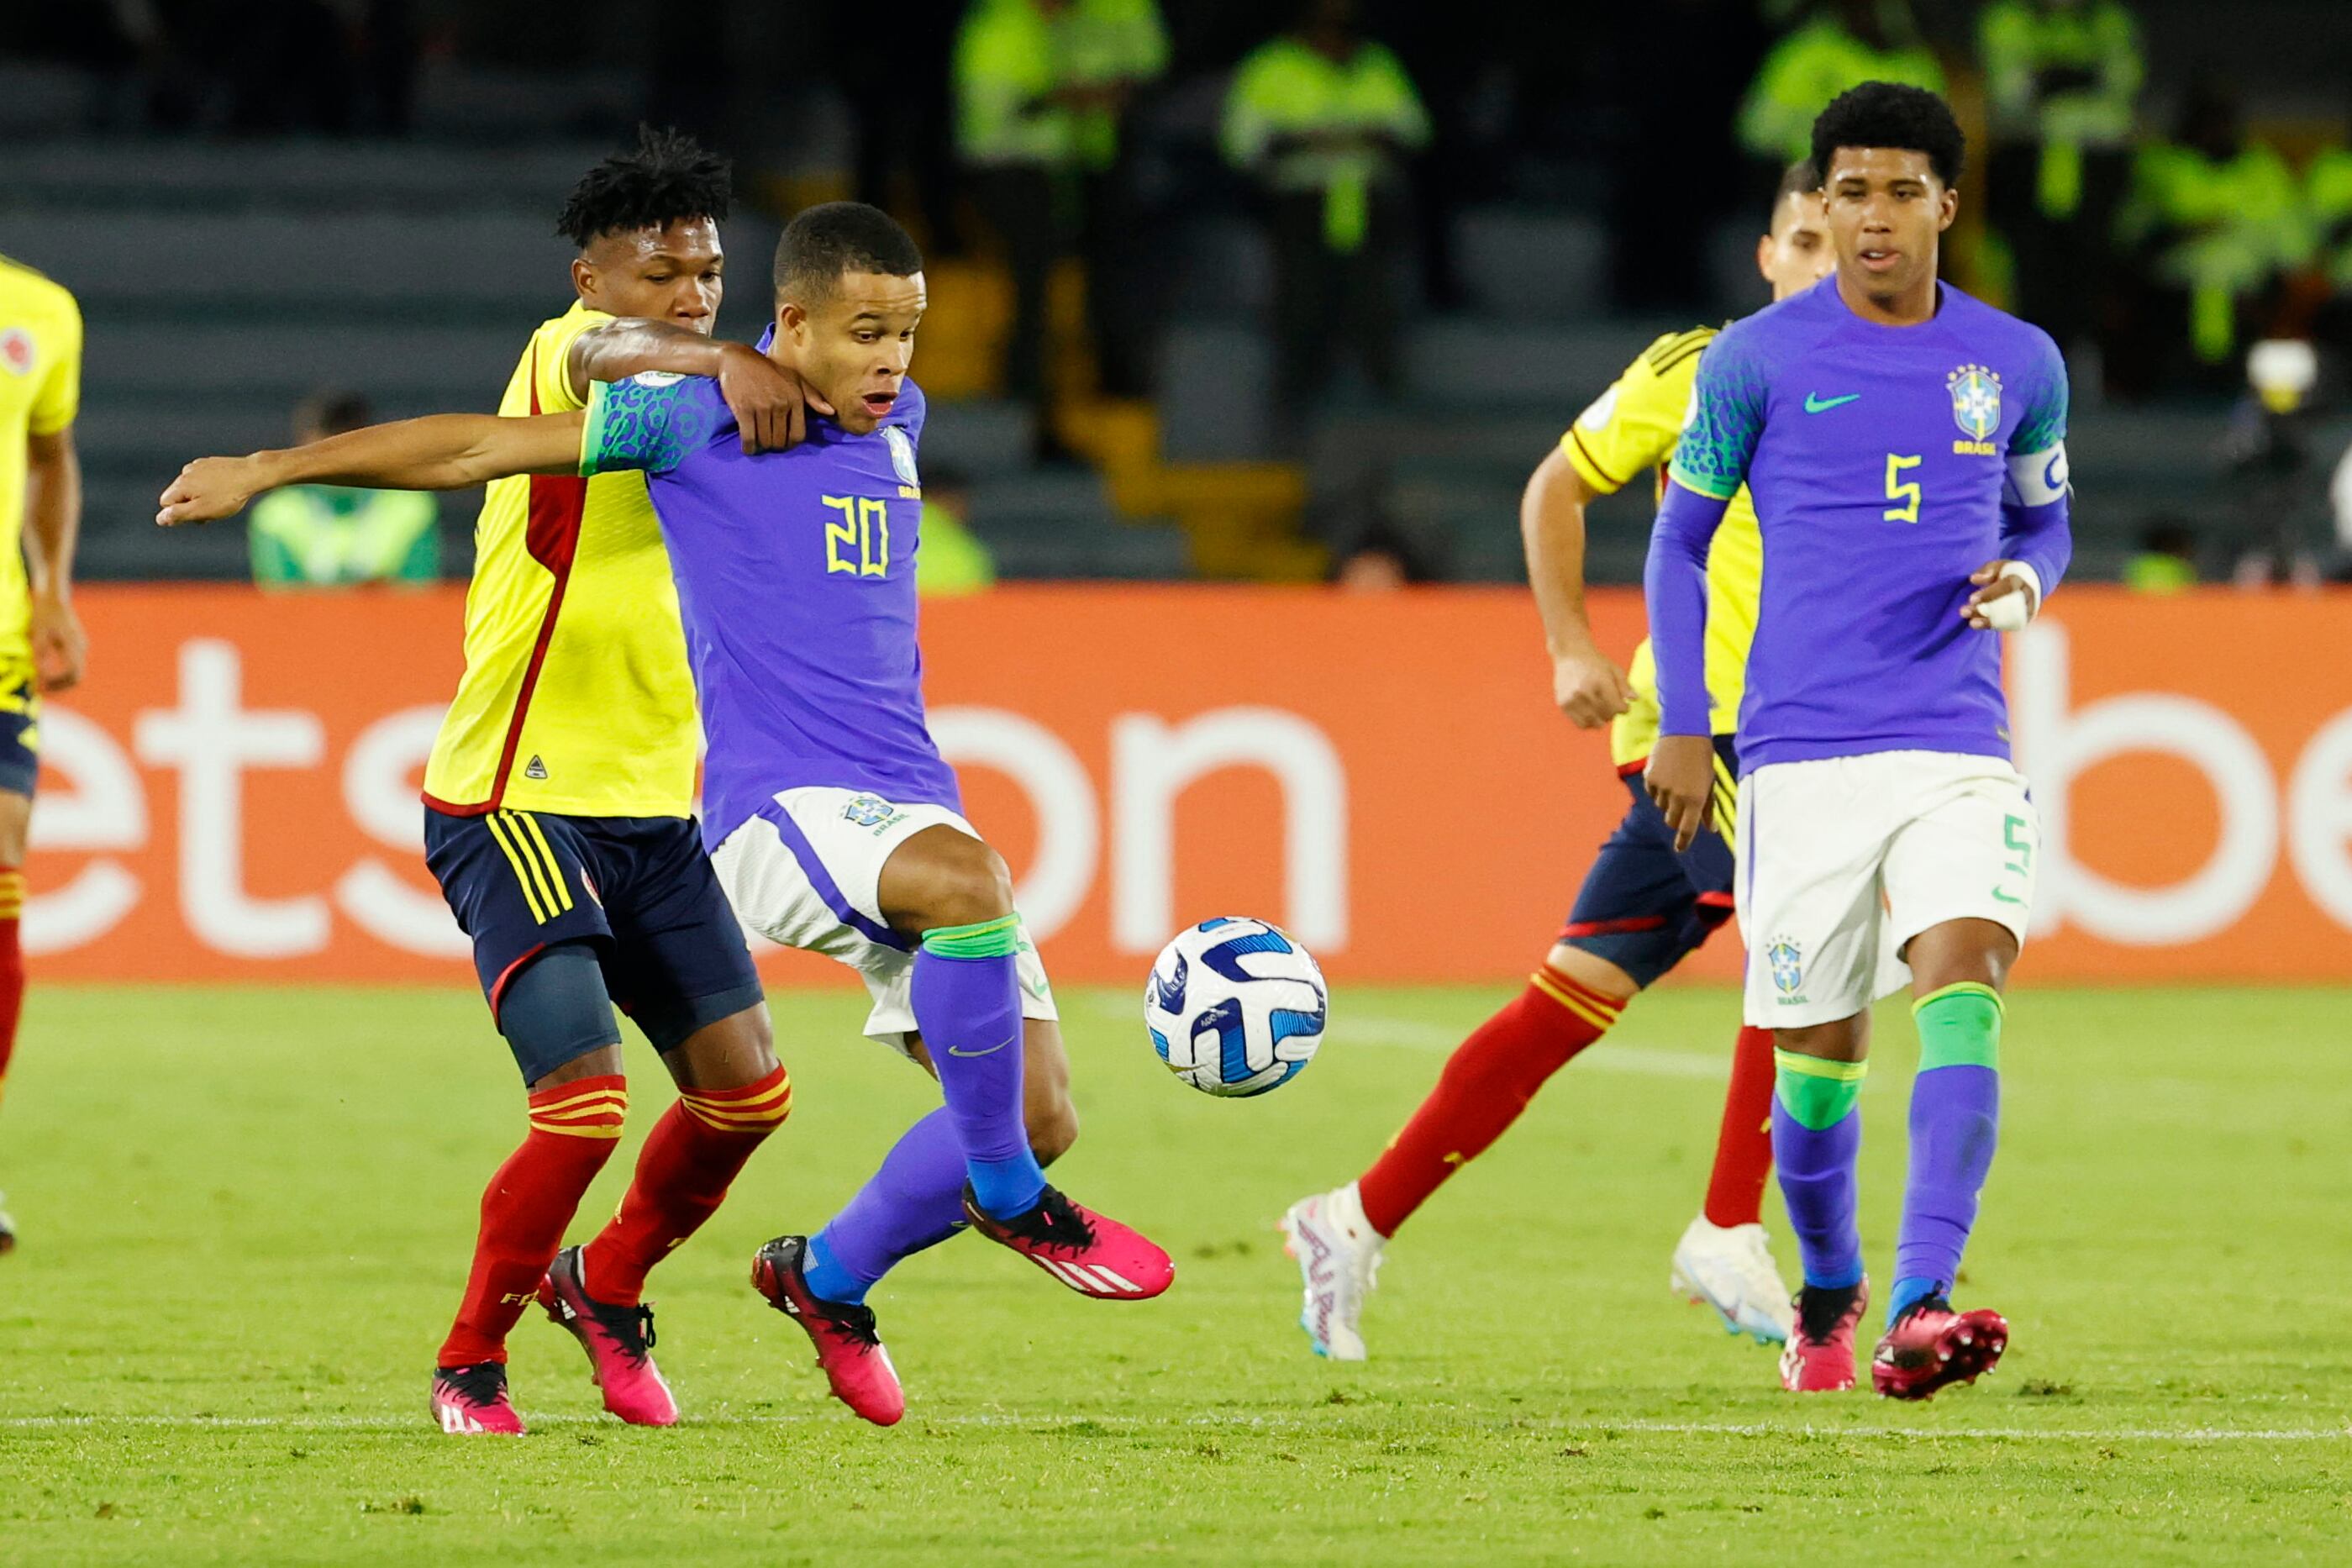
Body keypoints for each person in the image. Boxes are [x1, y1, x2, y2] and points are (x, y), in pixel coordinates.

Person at [158, 202, 1173, 1434]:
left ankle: (789, 1278)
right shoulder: (676, 404)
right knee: (619, 1083)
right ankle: (474, 1357)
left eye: (905, 334)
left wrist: (785, 363)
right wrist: (268, 468)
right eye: (866, 333)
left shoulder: (893, 417)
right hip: (638, 796)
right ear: (792, 321)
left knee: (982, 1107)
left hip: (752, 802)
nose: (892, 361)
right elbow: (489, 438)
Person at [162, 128, 823, 1436]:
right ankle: (471, 1359)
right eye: (659, 274)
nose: (689, 295)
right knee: (581, 1106)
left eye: (706, 272)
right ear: (591, 280)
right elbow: (518, 417)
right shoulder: (575, 352)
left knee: (747, 1093)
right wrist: (270, 468)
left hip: (653, 807)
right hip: (513, 795)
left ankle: (605, 1283)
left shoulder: (720, 412)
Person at [1280, 163, 1835, 1363]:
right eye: (1801, 241)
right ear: (1765, 255)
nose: (1820, 264)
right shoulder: (1698, 369)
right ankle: (1727, 1224)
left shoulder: (1883, 387)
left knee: (1567, 1001)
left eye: (1839, 243)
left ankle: (1350, 1218)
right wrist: (1570, 645)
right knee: (1800, 948)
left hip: (1811, 727)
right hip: (1707, 729)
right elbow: (1555, 487)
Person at [1644, 82, 2071, 1400]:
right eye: (1848, 193)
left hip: (1952, 734)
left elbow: (2044, 517)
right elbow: (1675, 543)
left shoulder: (2016, 361)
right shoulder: (1754, 360)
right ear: (1819, 208)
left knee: (1963, 979)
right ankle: (1826, 1291)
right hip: (1799, 752)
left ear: (1945, 204)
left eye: (1898, 192)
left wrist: (2026, 579)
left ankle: (1918, 1301)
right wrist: (1681, 723)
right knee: (1817, 1063)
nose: (1872, 217)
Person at [954, 0, 1167, 445]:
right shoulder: (999, 26)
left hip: (1058, 171)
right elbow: (999, 105)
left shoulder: (1060, 26)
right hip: (1006, 169)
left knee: (1060, 284)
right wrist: (1075, 98)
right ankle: (1025, 398)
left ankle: (1043, 396)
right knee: (1032, 287)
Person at [0, 252, 90, 1257]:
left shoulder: (40, 310)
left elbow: (50, 456)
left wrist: (52, 587)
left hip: (0, 650)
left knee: (3, 862)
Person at [1223, 0, 1429, 430]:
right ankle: (1293, 417)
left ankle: (1386, 418)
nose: (1334, 36)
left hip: (1366, 204)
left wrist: (1358, 138)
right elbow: (1242, 143)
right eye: (1325, 25)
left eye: (1344, 27)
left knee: (1373, 307)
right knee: (1301, 307)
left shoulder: (1375, 63)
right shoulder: (1272, 66)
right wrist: (1312, 141)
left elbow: (1412, 132)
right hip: (1301, 205)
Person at [1976, 0, 2143, 356]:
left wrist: (2051, 76)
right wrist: (2083, 76)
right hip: (2026, 165)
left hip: (2095, 167)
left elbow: (2122, 88)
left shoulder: (2109, 20)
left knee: (2093, 275)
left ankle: (2086, 360)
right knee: (2031, 276)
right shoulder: (2009, 17)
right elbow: (2010, 93)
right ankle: (2032, 359)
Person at [2114, 82, 2304, 387]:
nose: (2215, 129)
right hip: (2174, 298)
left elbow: (2293, 252)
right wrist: (2181, 231)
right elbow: (2129, 240)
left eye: (2222, 119)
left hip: (2246, 298)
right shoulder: (2160, 164)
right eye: (2207, 119)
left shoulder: (2263, 170)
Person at [249, 391, 439, 588]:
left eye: (349, 444)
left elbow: (419, 592)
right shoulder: (276, 515)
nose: (338, 461)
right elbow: (280, 598)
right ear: (305, 444)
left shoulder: (410, 507)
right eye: (326, 447)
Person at [1738, 1, 1944, 169]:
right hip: (1816, 188)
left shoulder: (1918, 65)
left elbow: (1937, 145)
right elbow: (1757, 134)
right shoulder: (1807, 54)